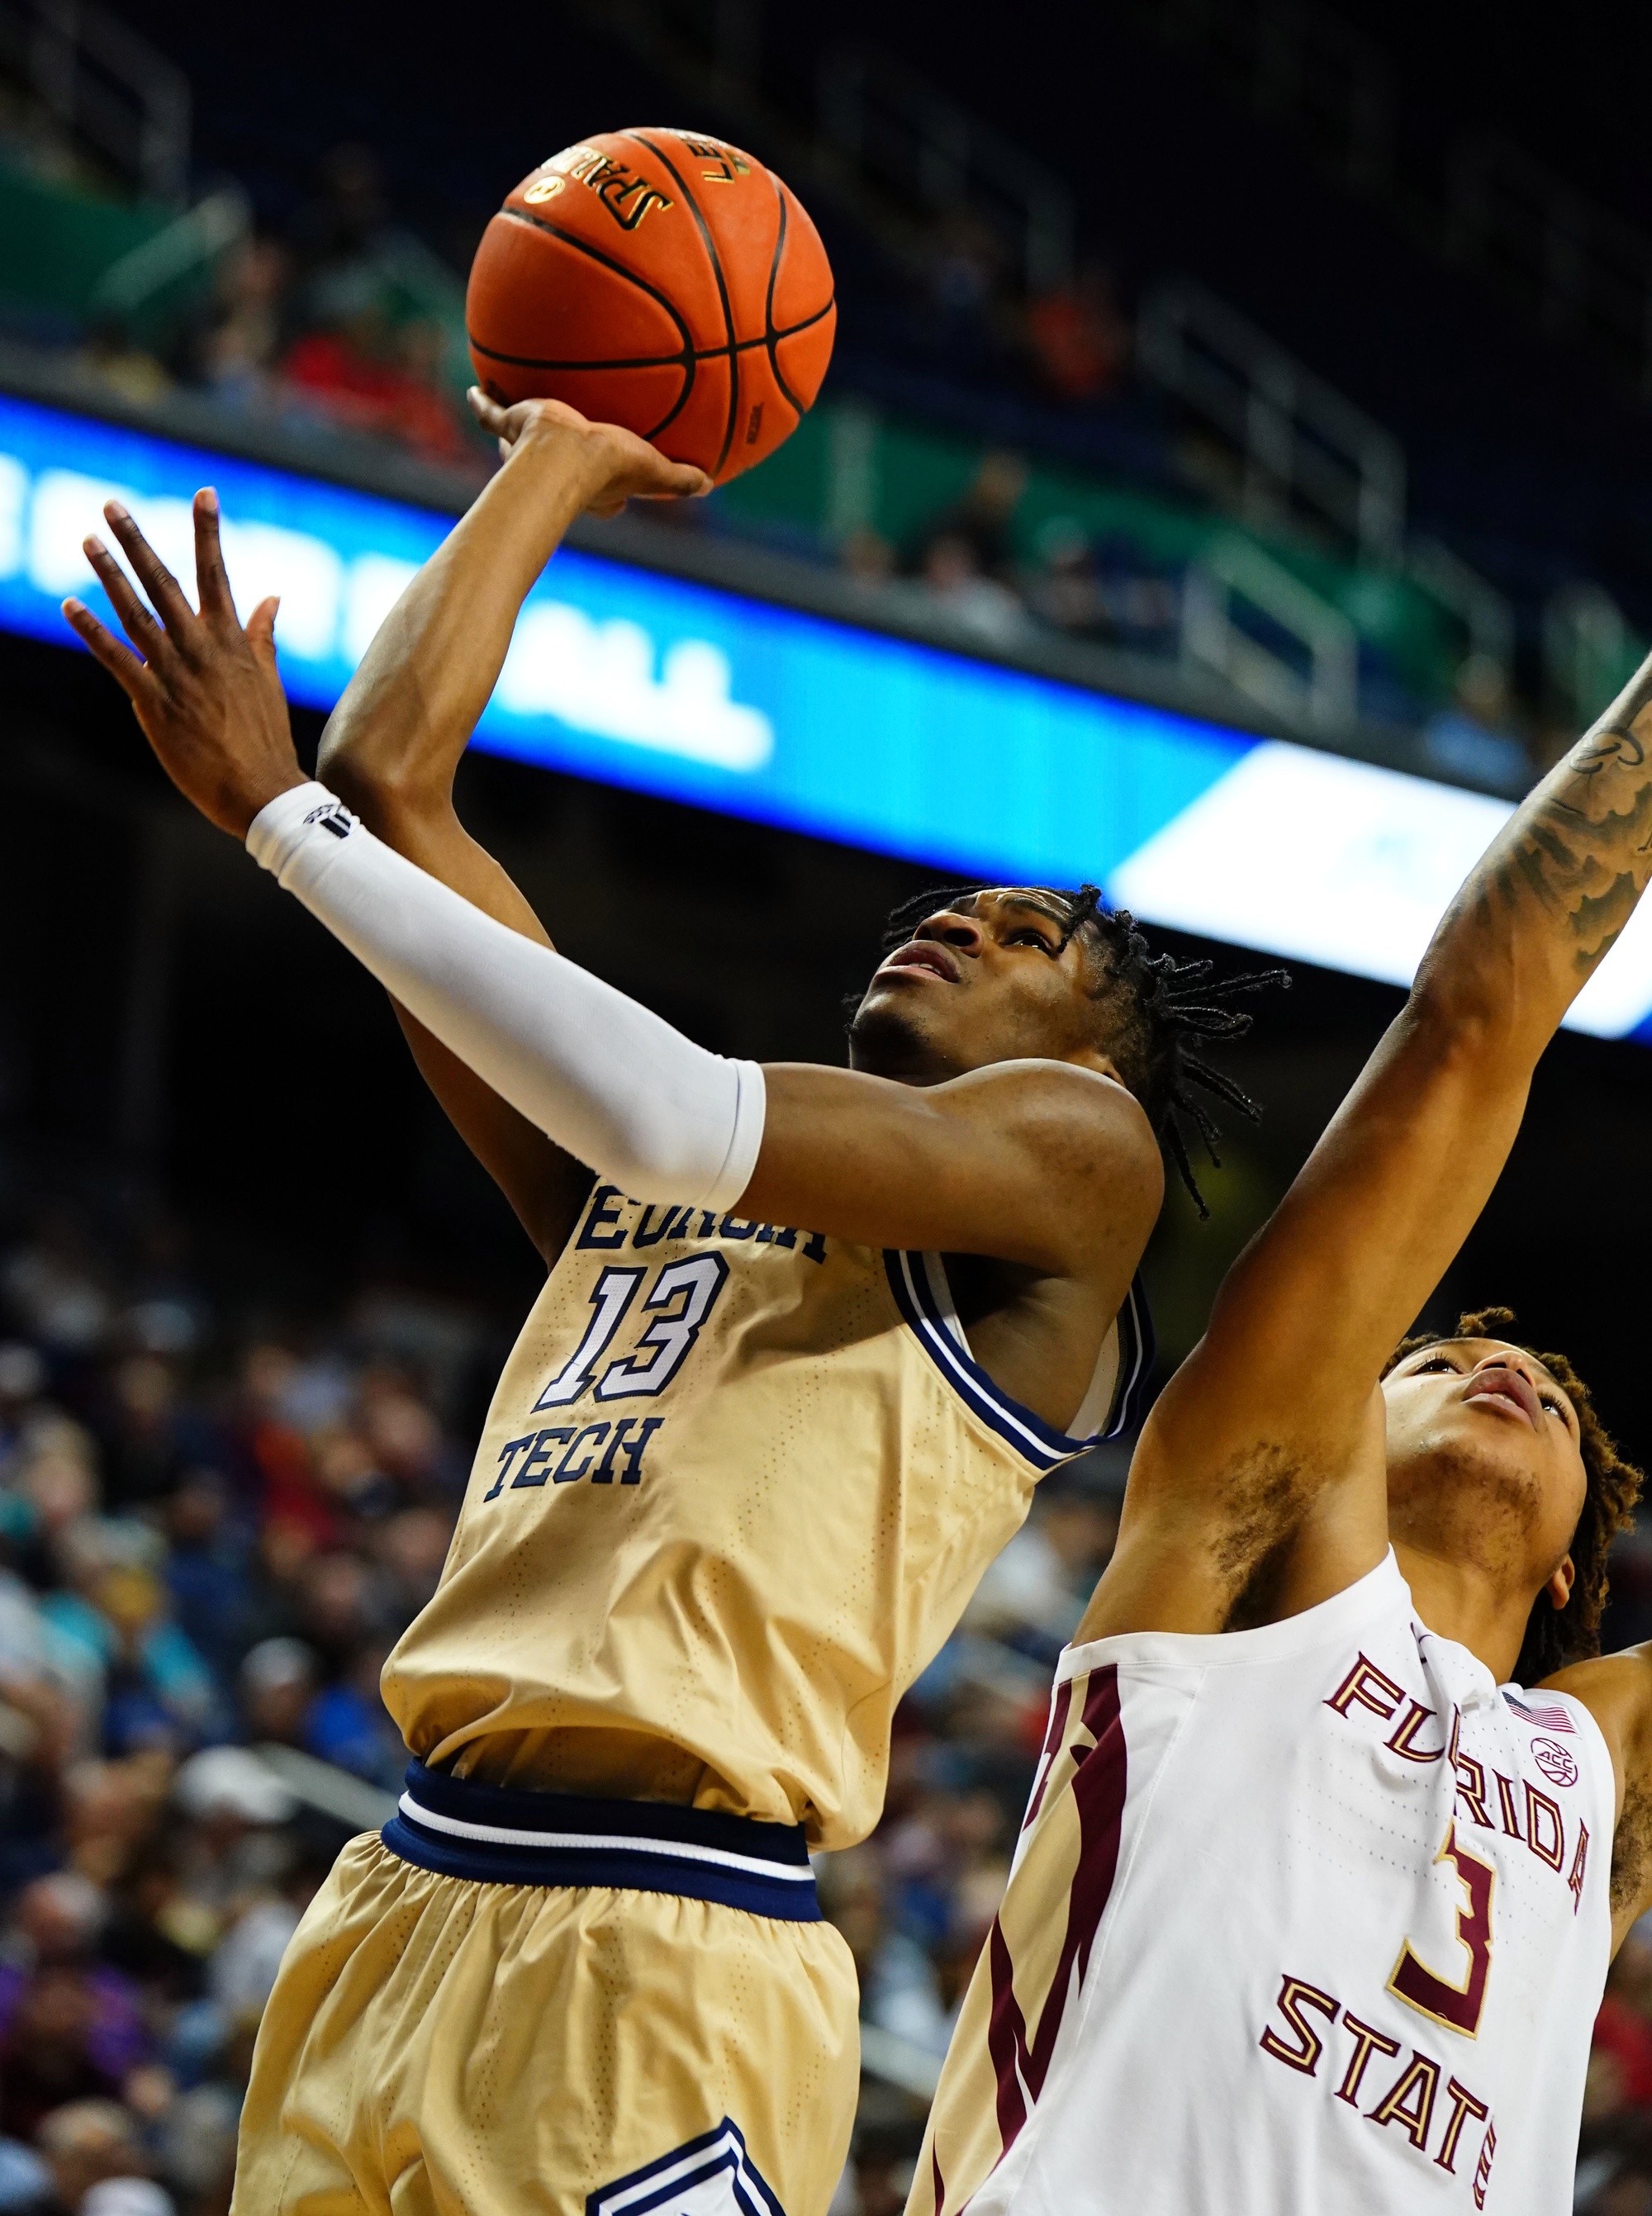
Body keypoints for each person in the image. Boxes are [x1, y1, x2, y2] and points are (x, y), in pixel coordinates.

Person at [59, 394, 1276, 2214]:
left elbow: (653, 1092)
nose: (947, 923)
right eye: (949, 907)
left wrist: (277, 823)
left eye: (1025, 937)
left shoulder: (1076, 1159)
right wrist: (553, 453)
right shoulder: (661, 1193)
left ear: (1087, 1045)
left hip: (668, 1933)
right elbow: (393, 780)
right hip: (404, 1884)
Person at [904, 650, 1652, 2210]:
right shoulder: (1258, 1542)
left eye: (1561, 1404)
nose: (1502, 1374)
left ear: (1590, 1548)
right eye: (1436, 1354)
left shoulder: (1604, 1762)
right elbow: (1471, 1023)